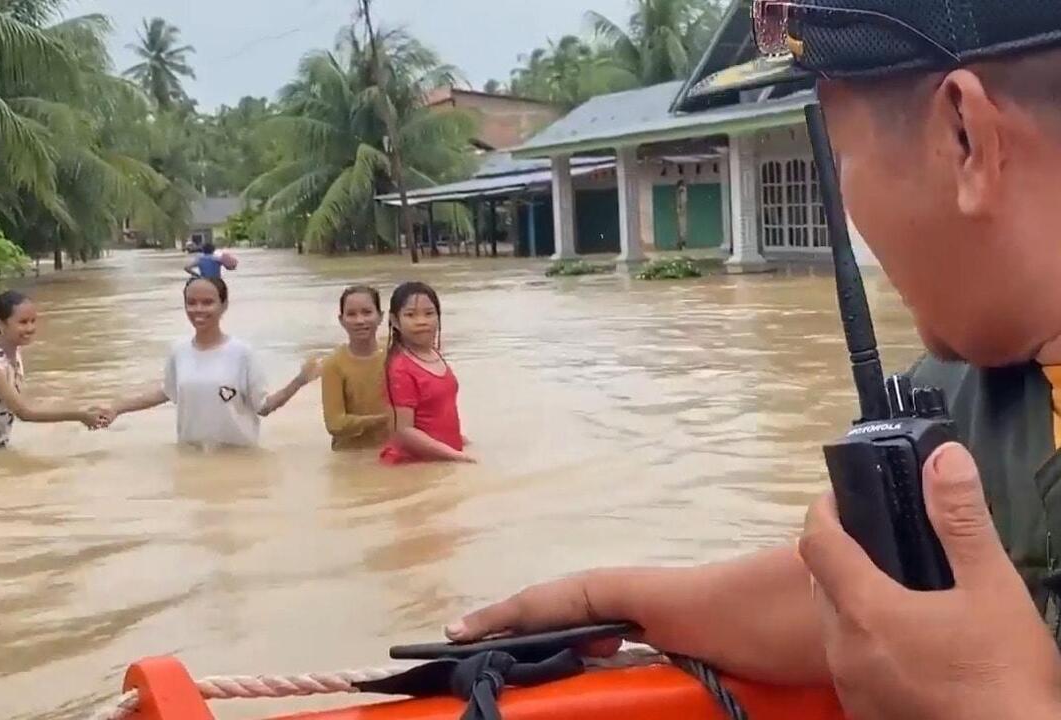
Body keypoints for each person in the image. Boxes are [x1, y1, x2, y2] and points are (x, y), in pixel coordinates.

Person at [447, 3, 1061, 719]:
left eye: (838, 154)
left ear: (965, 136)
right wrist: (605, 600)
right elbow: (870, 606)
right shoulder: (972, 397)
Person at [106, 276, 319, 448]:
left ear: (223, 305)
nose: (198, 309)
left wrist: (299, 381)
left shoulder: (242, 353)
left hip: (238, 460)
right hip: (191, 459)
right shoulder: (179, 351)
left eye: (207, 302)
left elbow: (263, 407)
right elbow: (166, 392)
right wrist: (117, 408)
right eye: (191, 303)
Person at [0, 291, 107, 459]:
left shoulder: (11, 354)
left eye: (33, 321)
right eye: (23, 322)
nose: (30, 328)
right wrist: (79, 415)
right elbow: (24, 413)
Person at [380, 282, 473, 465]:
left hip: (443, 457)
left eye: (429, 313)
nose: (421, 321)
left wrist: (462, 441)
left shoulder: (434, 353)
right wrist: (457, 456)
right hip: (411, 465)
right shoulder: (399, 368)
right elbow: (404, 432)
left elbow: (438, 411)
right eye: (410, 315)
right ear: (395, 321)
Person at [321, 285, 390, 451]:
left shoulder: (395, 355)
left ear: (380, 317)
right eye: (351, 314)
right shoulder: (333, 364)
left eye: (367, 312)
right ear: (341, 320)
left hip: (392, 452)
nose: (360, 320)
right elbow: (335, 424)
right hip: (350, 456)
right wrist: (385, 419)